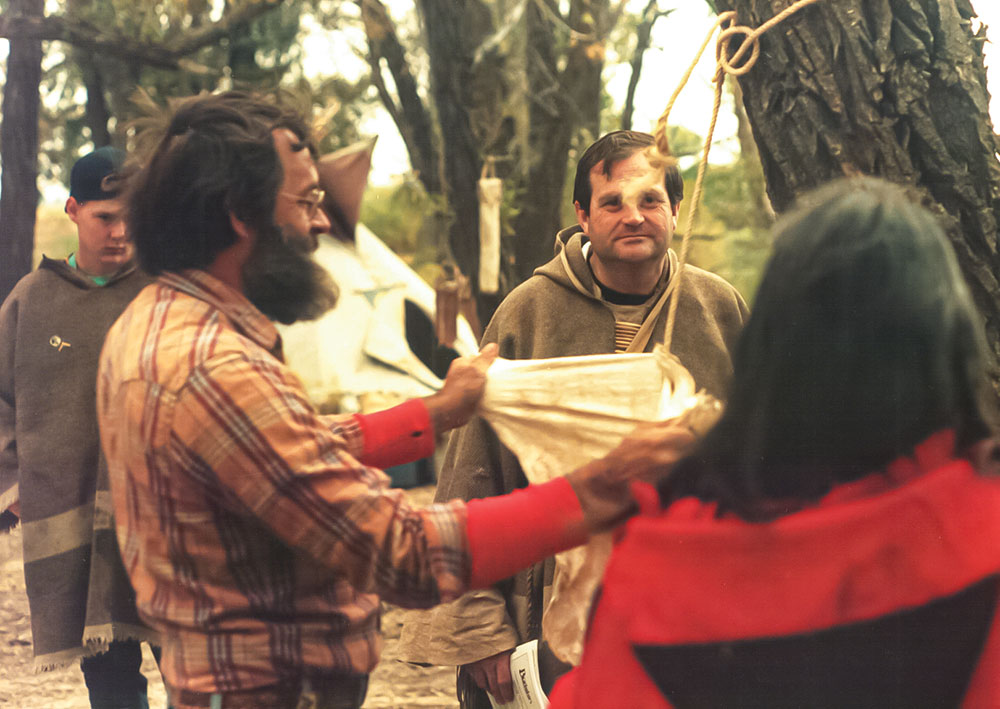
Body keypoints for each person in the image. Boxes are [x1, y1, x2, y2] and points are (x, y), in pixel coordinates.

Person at [95, 91, 695, 709]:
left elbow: (290, 452)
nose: (322, 226)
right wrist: (600, 490)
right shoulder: (212, 368)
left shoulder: (155, 325)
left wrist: (435, 414)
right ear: (239, 216)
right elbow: (401, 549)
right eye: (305, 204)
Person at [547, 177, 1000, 707]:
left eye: (650, 201)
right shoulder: (982, 529)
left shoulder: (661, 567)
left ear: (770, 351)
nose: (633, 217)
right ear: (951, 341)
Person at [399, 129, 748, 706]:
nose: (633, 217)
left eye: (651, 201)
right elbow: (473, 477)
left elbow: (761, 462)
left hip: (692, 602)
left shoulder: (718, 309)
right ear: (583, 216)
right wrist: (483, 631)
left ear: (676, 210)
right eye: (612, 203)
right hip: (550, 606)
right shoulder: (530, 312)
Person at [0, 147, 163, 708]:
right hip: (74, 531)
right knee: (113, 684)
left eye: (130, 218)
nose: (120, 233)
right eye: (104, 217)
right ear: (72, 209)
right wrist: (17, 487)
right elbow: (0, 400)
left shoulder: (163, 296)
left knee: (197, 673)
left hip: (164, 523)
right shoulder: (32, 300)